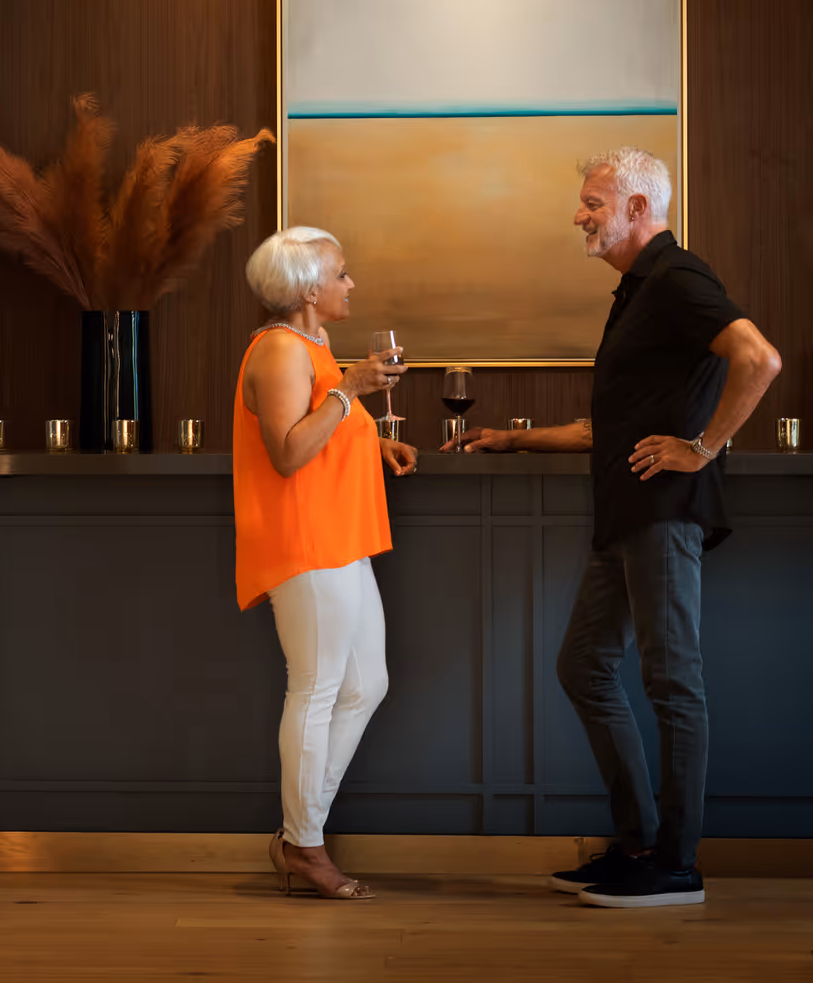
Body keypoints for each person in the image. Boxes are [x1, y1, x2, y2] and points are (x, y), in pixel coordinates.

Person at [445, 148, 781, 909]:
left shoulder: (677, 276)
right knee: (584, 666)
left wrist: (701, 448)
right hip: (626, 514)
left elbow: (759, 358)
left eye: (594, 202)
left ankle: (677, 861)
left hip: (662, 514)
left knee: (672, 683)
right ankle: (637, 842)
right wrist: (514, 438)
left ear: (638, 208)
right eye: (584, 202)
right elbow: (617, 425)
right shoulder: (639, 290)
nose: (579, 214)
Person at [235, 226, 416, 899]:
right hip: (305, 543)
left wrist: (374, 449)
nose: (350, 284)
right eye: (342, 274)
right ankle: (306, 845)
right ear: (310, 289)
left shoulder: (316, 345)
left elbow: (322, 439)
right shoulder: (281, 349)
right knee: (314, 689)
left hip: (340, 538)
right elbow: (286, 452)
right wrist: (352, 390)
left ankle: (297, 832)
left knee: (366, 682)